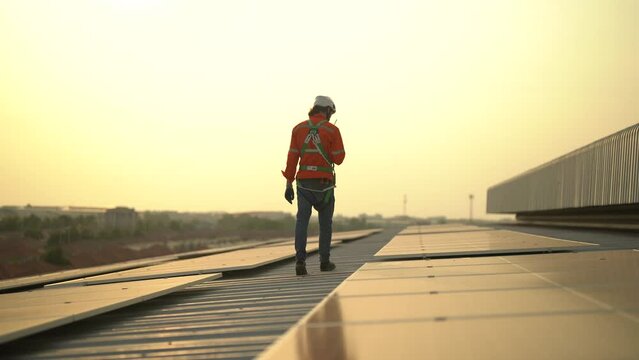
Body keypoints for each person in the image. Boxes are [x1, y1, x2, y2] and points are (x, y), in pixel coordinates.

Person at [282, 96, 346, 276]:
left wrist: (288, 183)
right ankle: (324, 262)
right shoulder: (332, 130)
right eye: (330, 113)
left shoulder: (298, 129)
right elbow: (339, 159)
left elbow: (292, 158)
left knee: (302, 221)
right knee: (325, 224)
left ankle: (300, 262)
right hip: (324, 185)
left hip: (303, 184)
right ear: (326, 110)